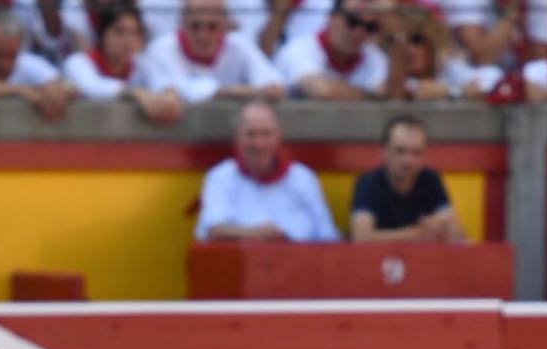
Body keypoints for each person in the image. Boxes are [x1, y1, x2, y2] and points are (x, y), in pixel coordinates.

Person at [194, 98, 340, 242]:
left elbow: (328, 237)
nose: (259, 143)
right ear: (238, 137)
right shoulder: (220, 177)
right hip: (237, 264)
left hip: (301, 263)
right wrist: (258, 235)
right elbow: (214, 230)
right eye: (251, 134)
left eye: (266, 133)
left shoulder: (303, 177)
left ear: (277, 135)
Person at [349, 115, 468, 243]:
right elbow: (361, 238)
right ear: (383, 151)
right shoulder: (368, 182)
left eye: (416, 152)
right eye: (400, 151)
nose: (408, 160)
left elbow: (458, 236)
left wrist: (443, 226)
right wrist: (419, 232)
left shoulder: (431, 179)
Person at [140, 0, 285, 102]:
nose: (203, 35)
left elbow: (274, 88)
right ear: (181, 23)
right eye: (195, 26)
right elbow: (178, 92)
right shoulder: (161, 49)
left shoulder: (239, 44)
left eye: (212, 27)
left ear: (226, 24)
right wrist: (246, 92)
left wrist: (228, 92)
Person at [382, 0, 501, 99]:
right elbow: (394, 92)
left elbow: (493, 79)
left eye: (417, 40)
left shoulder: (448, 66)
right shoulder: (386, 71)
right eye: (400, 43)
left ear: (433, 42)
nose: (409, 49)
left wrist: (451, 91)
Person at [274, 0, 391, 98]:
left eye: (370, 27)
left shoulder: (374, 56)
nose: (359, 32)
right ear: (332, 18)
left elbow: (387, 92)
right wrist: (371, 96)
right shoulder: (299, 49)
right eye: (352, 21)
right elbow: (322, 91)